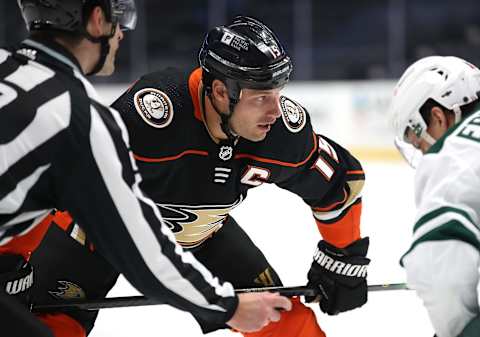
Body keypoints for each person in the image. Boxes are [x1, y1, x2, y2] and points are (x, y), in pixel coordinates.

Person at [29, 15, 370, 337]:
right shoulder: (149, 119)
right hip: (94, 239)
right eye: (262, 96)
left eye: (278, 93)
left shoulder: (279, 131)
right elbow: (50, 181)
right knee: (46, 329)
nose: (275, 111)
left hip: (199, 235)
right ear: (221, 92)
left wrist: (344, 255)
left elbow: (340, 180)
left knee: (284, 322)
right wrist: (14, 258)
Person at [0, 1, 291, 336]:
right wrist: (228, 307)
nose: (121, 34)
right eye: (117, 21)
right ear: (97, 21)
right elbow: (140, 251)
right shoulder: (78, 119)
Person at [389, 55, 480, 337]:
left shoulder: (453, 152)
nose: (424, 151)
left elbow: (438, 268)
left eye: (418, 140)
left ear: (439, 118)